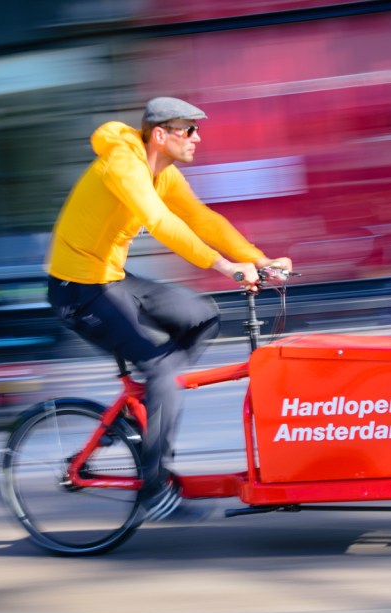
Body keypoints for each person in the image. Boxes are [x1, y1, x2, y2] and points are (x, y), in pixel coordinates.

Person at [45, 96, 292, 518]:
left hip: (111, 278)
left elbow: (201, 219)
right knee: (161, 371)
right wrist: (222, 265)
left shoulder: (165, 174)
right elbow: (159, 221)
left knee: (203, 316)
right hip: (77, 290)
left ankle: (146, 408)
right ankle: (154, 488)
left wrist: (258, 259)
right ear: (160, 135)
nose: (198, 137)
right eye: (189, 129)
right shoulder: (124, 163)